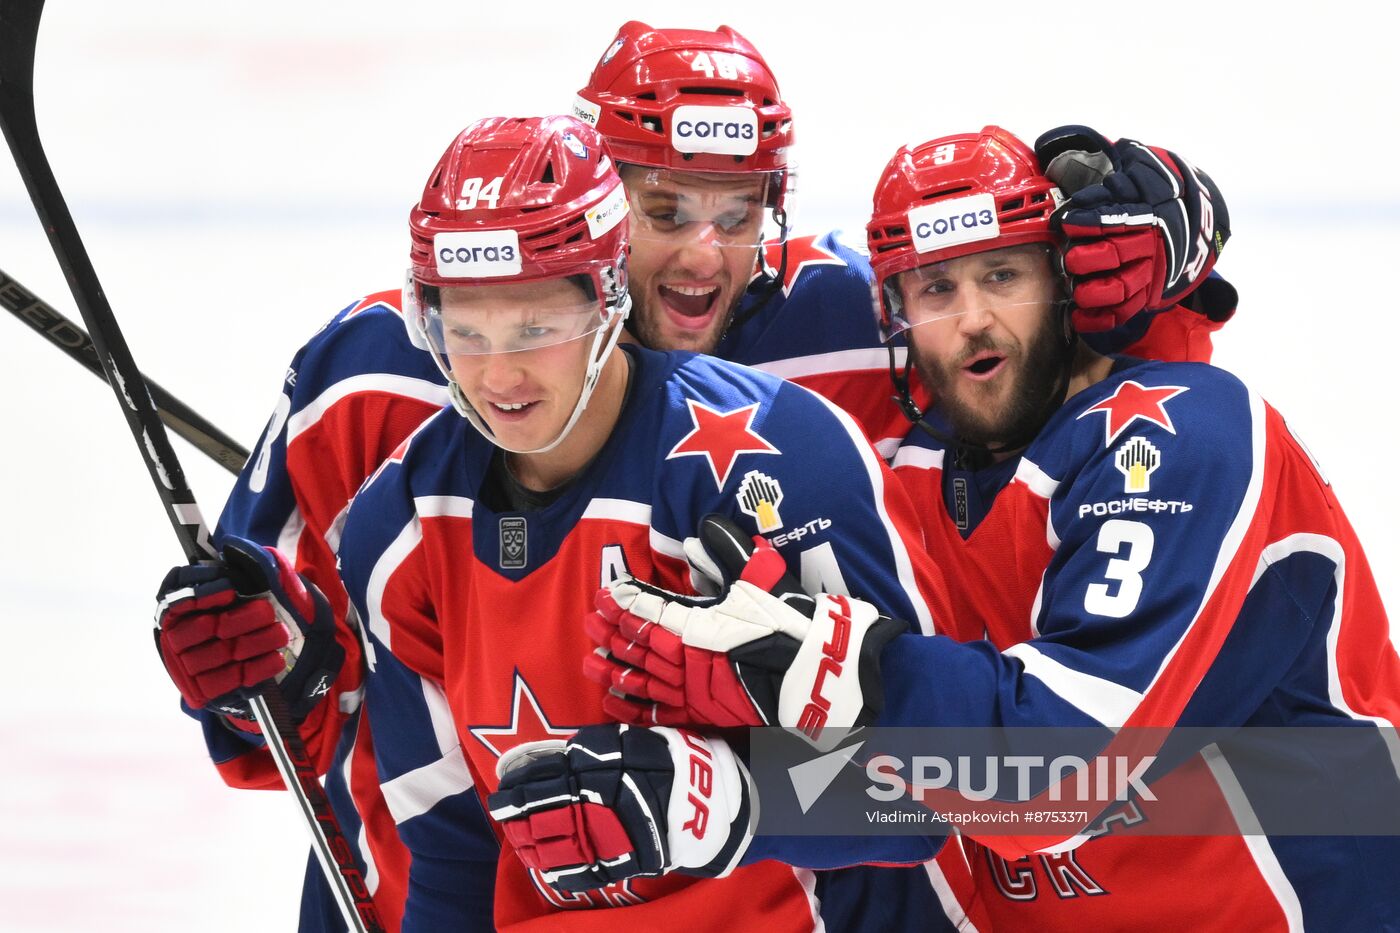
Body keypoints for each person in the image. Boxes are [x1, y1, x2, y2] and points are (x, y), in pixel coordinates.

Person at [151, 21, 1234, 929]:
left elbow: (1085, 423)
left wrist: (1153, 279)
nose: (703, 258)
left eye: (737, 213)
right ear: (594, 200)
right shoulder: (376, 377)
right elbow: (298, 713)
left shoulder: (853, 328)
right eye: (663, 212)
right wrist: (267, 677)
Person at [512, 125, 1400, 930]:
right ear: (895, 319)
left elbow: (1056, 777)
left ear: (1063, 282)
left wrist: (850, 667)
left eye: (1003, 275)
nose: (972, 315)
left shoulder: (1182, 433)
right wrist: (731, 806)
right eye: (936, 288)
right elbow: (934, 790)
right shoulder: (910, 475)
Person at [329, 113, 969, 931]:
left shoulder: (778, 458)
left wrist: (735, 804)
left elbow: (945, 785)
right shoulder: (402, 524)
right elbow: (455, 854)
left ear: (607, 296)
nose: (499, 375)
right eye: (465, 331)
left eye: (537, 328)